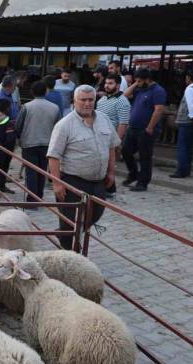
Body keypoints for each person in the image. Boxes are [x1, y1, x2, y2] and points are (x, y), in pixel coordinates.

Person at [47, 85, 120, 250]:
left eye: (91, 100)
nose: (87, 103)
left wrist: (111, 172)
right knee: (69, 221)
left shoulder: (104, 119)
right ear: (74, 101)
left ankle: (71, 234)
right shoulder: (65, 124)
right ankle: (71, 255)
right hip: (72, 181)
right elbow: (53, 155)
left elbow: (111, 146)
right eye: (83, 100)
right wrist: (57, 183)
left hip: (98, 180)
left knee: (97, 212)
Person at [15, 80, 61, 203]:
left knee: (31, 172)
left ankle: (32, 199)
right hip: (48, 144)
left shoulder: (27, 107)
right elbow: (59, 127)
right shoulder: (55, 108)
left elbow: (18, 125)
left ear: (32, 92)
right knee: (42, 171)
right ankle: (39, 196)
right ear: (46, 91)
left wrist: (19, 138)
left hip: (29, 143)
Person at [122, 68, 167, 191]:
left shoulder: (158, 91)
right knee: (126, 151)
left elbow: (159, 109)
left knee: (144, 156)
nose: (138, 83)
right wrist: (136, 83)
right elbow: (125, 94)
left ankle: (143, 182)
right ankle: (133, 174)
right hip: (133, 128)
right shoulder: (140, 89)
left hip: (146, 129)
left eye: (139, 81)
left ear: (147, 79)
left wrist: (150, 127)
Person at [96, 73, 132, 197]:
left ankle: (109, 190)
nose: (107, 85)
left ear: (117, 85)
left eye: (110, 83)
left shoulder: (122, 101)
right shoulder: (103, 99)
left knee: (107, 164)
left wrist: (117, 142)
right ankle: (108, 189)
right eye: (106, 83)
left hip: (110, 139)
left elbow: (123, 123)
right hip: (99, 137)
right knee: (102, 164)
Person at [172, 71, 193, 178]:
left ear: (189, 78)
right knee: (189, 147)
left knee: (183, 147)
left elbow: (191, 105)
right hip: (191, 121)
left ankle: (181, 171)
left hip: (186, 121)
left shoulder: (190, 88)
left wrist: (192, 117)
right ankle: (186, 170)